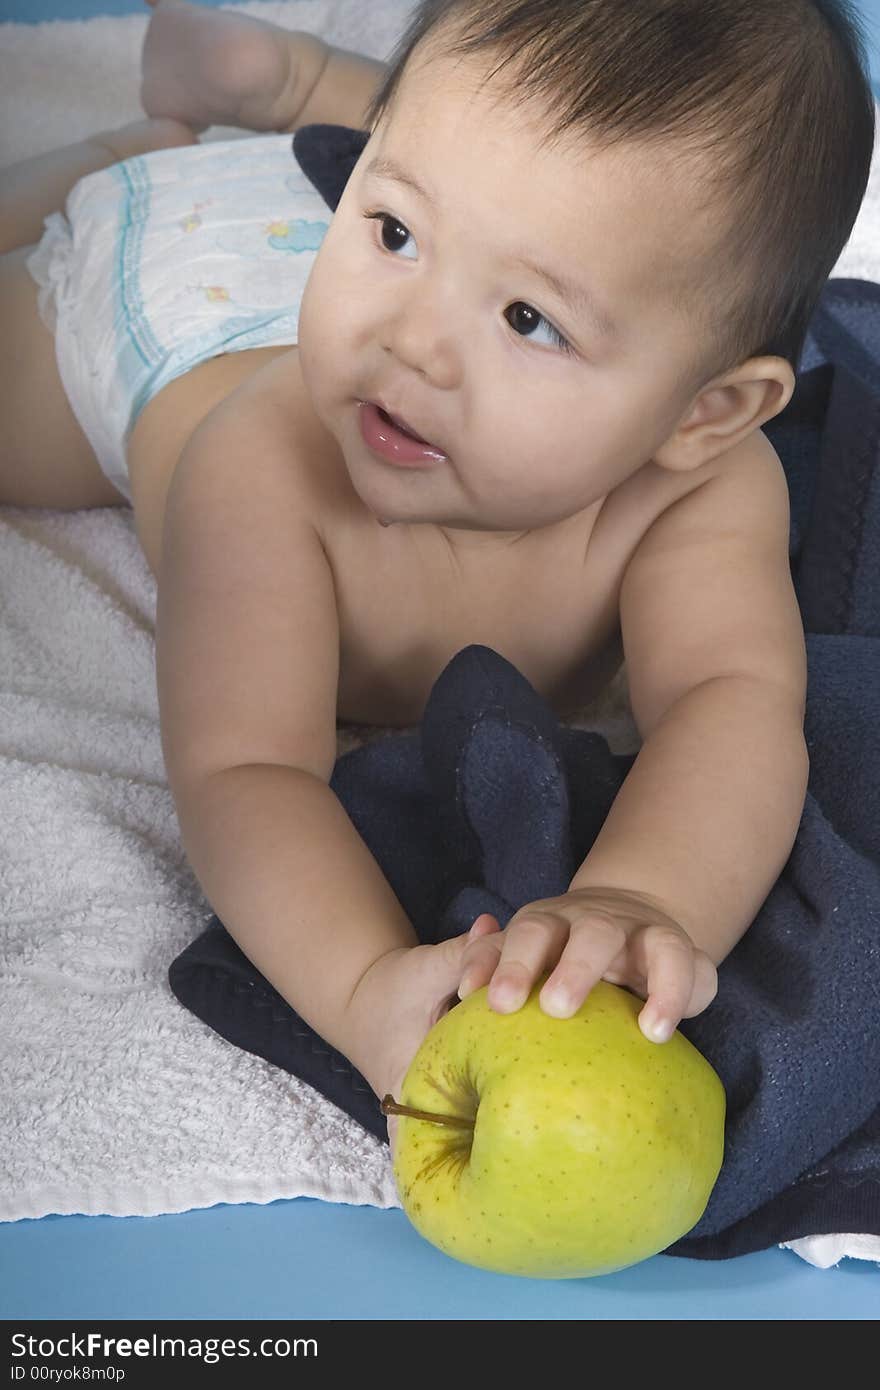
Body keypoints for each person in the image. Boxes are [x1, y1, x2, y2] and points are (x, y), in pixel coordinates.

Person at [0, 0, 874, 1153]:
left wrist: (643, 899)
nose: (412, 340)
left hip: (323, 222)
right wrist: (363, 981)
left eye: (528, 318)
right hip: (174, 296)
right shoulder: (261, 473)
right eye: (394, 231)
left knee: (465, 187)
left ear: (706, 412)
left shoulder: (704, 492)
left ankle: (306, 99)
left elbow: (731, 706)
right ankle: (132, 149)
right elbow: (246, 767)